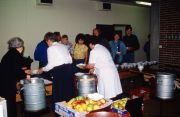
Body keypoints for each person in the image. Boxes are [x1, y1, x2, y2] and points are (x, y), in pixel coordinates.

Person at [38, 32, 74, 111]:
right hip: (69, 69)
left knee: (59, 93)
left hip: (60, 71)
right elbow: (70, 59)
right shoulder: (63, 46)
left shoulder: (50, 48)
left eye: (46, 42)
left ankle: (60, 111)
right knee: (68, 91)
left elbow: (51, 65)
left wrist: (42, 69)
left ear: (49, 40)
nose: (47, 44)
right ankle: (70, 110)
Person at [0, 37, 31, 117]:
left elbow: (13, 68)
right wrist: (26, 75)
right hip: (7, 84)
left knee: (8, 105)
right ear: (19, 47)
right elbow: (17, 72)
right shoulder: (16, 55)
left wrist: (23, 71)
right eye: (22, 46)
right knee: (10, 105)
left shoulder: (9, 53)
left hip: (3, 82)